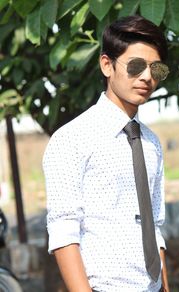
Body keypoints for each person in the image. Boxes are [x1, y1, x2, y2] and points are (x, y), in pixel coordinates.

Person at [43, 15, 170, 292]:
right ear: (106, 65)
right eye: (136, 66)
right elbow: (64, 230)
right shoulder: (71, 139)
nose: (147, 77)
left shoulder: (151, 143)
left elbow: (154, 226)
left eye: (156, 69)